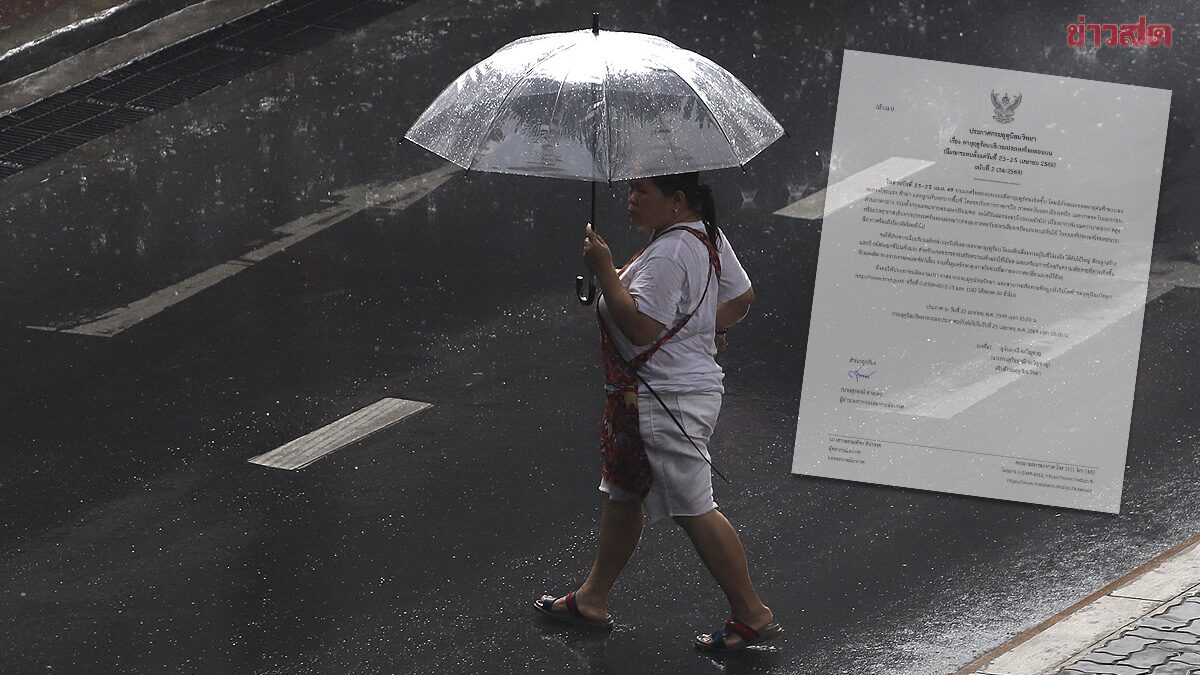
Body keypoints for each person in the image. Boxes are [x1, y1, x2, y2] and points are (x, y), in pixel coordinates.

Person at [533, 172, 781, 652]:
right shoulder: (702, 233)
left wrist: (604, 269)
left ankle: (751, 612)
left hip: (666, 398)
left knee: (693, 506)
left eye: (642, 192)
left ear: (677, 199)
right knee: (623, 491)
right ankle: (593, 597)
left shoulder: (668, 253)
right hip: (653, 393)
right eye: (629, 190)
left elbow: (643, 326)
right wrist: (701, 332)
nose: (630, 199)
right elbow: (740, 297)